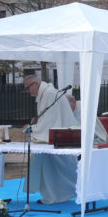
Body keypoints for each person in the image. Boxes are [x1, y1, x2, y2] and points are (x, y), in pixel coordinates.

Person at [23, 74, 79, 204]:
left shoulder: (48, 94)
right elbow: (47, 119)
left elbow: (50, 122)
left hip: (60, 138)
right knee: (49, 166)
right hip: (56, 138)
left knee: (59, 168)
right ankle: (53, 195)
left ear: (36, 84)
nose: (27, 91)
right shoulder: (45, 94)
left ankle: (58, 194)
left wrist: (33, 129)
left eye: (28, 88)